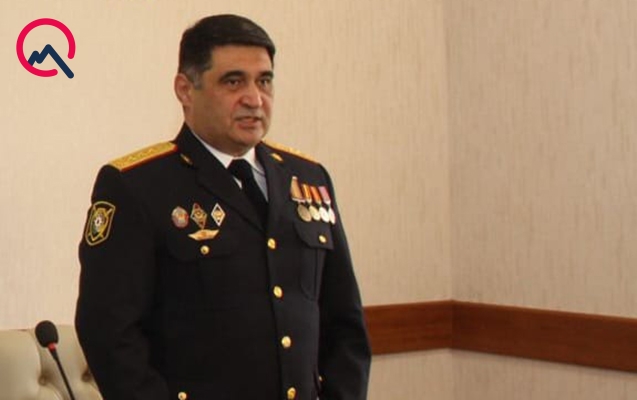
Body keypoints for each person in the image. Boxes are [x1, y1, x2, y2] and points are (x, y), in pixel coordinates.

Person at [75, 14, 371, 400]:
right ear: (185, 89)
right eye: (233, 82)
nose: (254, 99)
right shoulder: (137, 186)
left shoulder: (308, 178)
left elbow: (345, 322)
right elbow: (109, 333)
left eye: (264, 81)